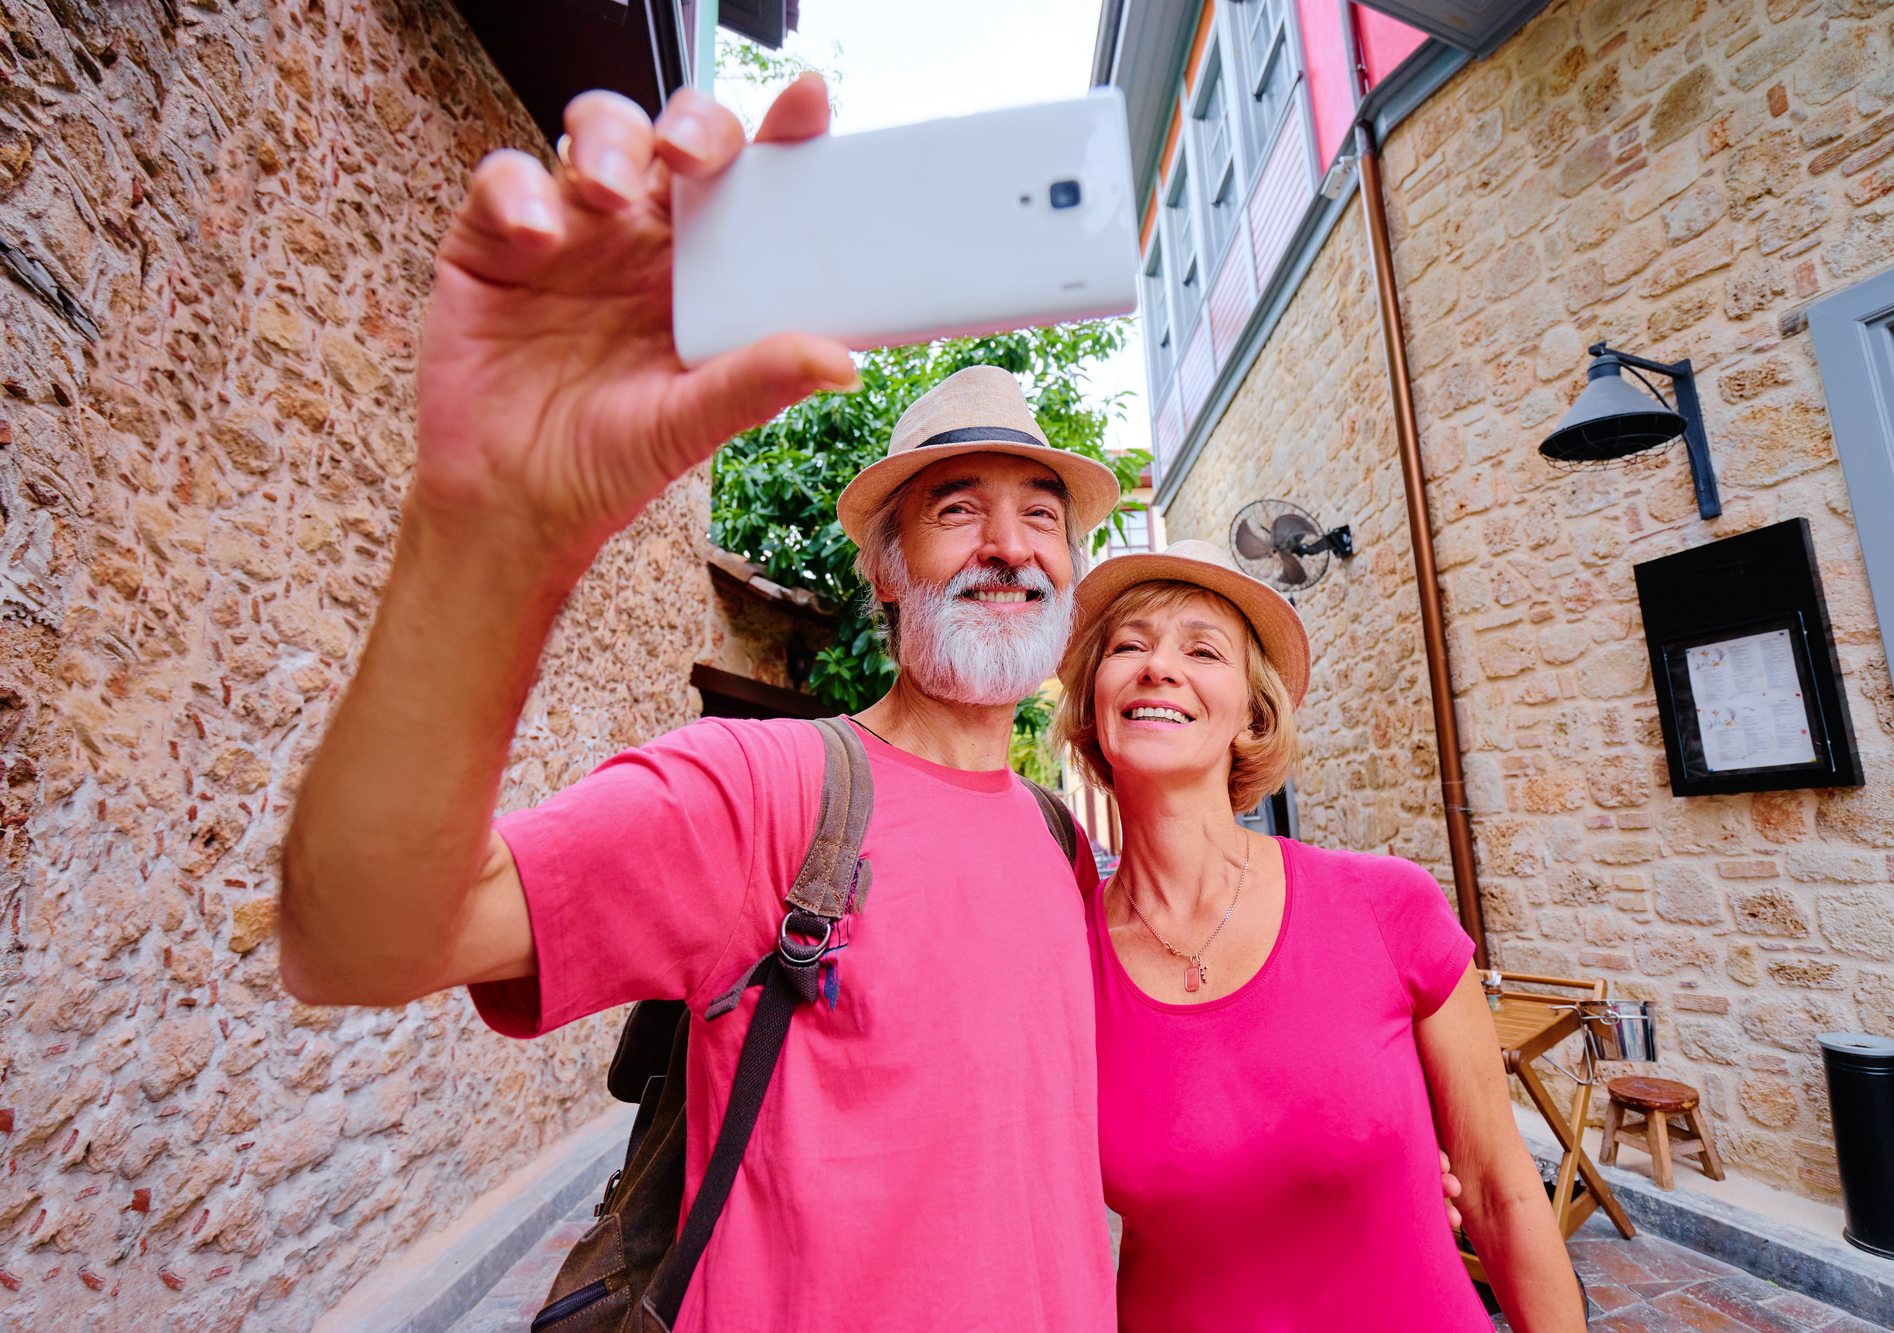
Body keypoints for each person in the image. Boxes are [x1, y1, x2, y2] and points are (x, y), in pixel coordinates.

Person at [277, 76, 1125, 1331]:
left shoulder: (1061, 842)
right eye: (956, 510)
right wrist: (488, 542)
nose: (1008, 545)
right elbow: (358, 941)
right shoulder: (769, 792)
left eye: (1040, 514)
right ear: (887, 572)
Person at [1055, 539, 1586, 1333]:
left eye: (1202, 649)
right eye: (1129, 646)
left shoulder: (1384, 904)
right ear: (1096, 708)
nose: (1158, 666)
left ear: (1251, 715)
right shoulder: (1063, 958)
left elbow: (1500, 1191)